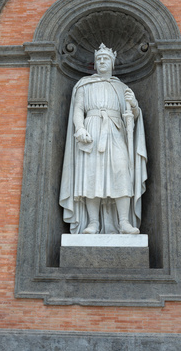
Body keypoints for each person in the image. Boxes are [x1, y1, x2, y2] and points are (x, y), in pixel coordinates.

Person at [59, 43, 147, 234]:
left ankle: (124, 222)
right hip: (92, 132)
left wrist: (133, 105)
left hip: (116, 132)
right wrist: (80, 128)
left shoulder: (121, 87)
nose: (101, 62)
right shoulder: (84, 84)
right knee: (92, 176)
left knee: (122, 173)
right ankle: (93, 223)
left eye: (105, 58)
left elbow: (133, 116)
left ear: (112, 62)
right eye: (98, 59)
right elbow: (78, 109)